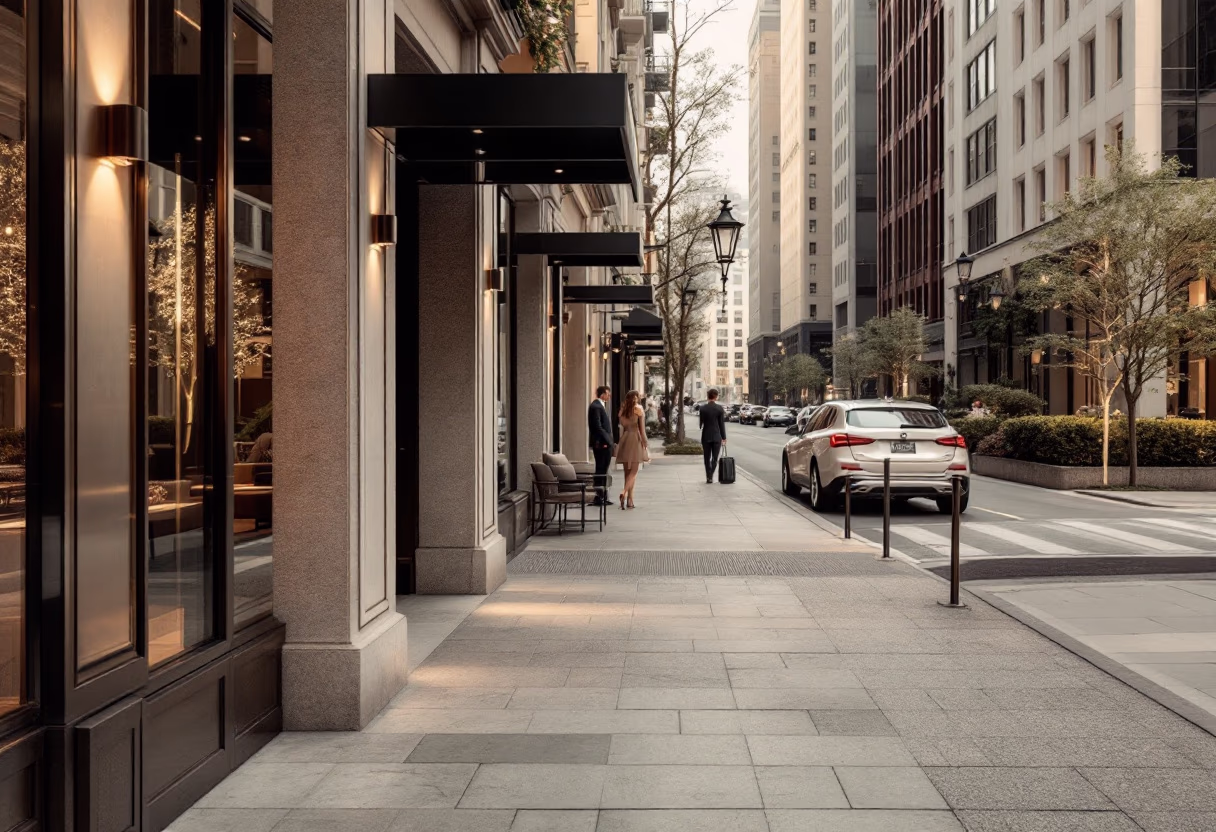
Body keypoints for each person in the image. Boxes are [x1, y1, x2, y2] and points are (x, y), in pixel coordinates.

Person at [614, 389, 649, 508]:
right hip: (635, 439)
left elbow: (621, 427)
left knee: (627, 472)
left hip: (624, 439)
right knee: (634, 471)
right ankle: (624, 492)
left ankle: (629, 500)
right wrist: (645, 443)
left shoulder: (622, 410)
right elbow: (642, 430)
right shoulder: (638, 409)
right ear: (637, 398)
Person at [588, 386, 614, 506]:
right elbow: (597, 427)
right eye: (607, 394)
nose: (609, 396)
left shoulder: (600, 406)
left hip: (604, 443)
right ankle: (599, 497)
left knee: (604, 469)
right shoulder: (596, 407)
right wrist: (608, 440)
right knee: (601, 469)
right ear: (602, 394)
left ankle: (603, 496)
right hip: (601, 444)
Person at [700, 388, 727, 483]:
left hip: (706, 435)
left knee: (706, 457)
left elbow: (701, 423)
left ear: (708, 396)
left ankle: (708, 476)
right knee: (715, 458)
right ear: (716, 397)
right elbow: (721, 424)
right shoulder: (719, 408)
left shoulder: (702, 408)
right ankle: (711, 475)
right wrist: (724, 437)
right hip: (716, 436)